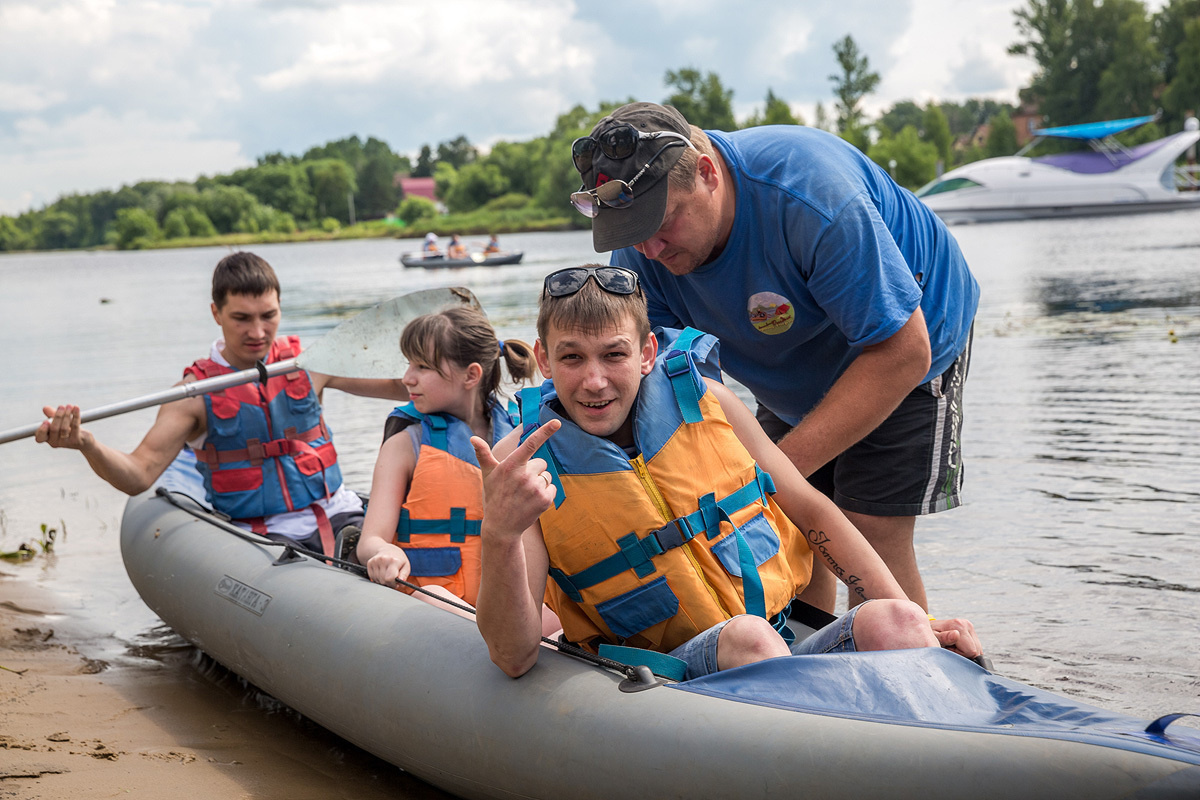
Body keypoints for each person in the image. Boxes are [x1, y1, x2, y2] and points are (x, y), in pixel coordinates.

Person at [568, 102, 981, 614]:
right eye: (634, 233)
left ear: (707, 173)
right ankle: (808, 654)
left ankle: (906, 649)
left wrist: (768, 478)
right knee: (782, 526)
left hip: (908, 340)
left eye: (664, 222)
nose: (650, 251)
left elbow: (904, 350)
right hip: (791, 359)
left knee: (868, 525)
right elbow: (667, 386)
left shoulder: (812, 197)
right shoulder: (643, 250)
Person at [471, 267, 980, 680]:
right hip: (662, 674)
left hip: (774, 645)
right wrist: (500, 532)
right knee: (750, 638)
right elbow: (513, 657)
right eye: (572, 358)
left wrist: (928, 624)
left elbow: (811, 510)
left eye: (614, 354)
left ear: (646, 354)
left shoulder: (708, 401)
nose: (594, 380)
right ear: (543, 359)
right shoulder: (521, 465)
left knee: (899, 619)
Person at [34, 252, 411, 556]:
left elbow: (403, 387)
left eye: (268, 316)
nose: (258, 332)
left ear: (280, 307)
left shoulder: (310, 364)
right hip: (264, 536)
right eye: (241, 318)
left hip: (342, 515)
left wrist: (437, 354)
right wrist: (87, 444)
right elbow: (139, 474)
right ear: (216, 313)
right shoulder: (192, 396)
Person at [355, 305, 537, 614]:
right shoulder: (404, 444)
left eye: (422, 367)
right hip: (431, 604)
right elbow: (370, 539)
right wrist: (385, 552)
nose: (407, 378)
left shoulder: (522, 436)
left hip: (507, 609)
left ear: (471, 375)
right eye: (409, 364)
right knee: (435, 594)